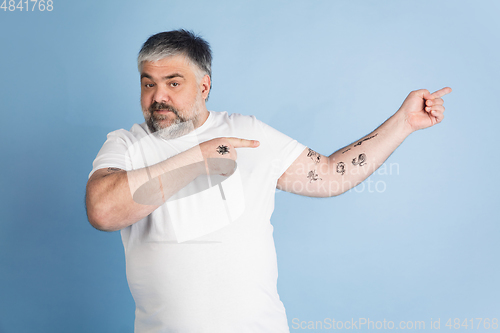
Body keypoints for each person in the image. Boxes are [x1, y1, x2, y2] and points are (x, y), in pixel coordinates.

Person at [85, 29, 451, 332]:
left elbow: (329, 175)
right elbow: (103, 211)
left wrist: (403, 122)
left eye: (173, 83)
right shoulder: (126, 144)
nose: (157, 97)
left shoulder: (247, 133)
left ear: (204, 86)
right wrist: (198, 159)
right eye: (148, 84)